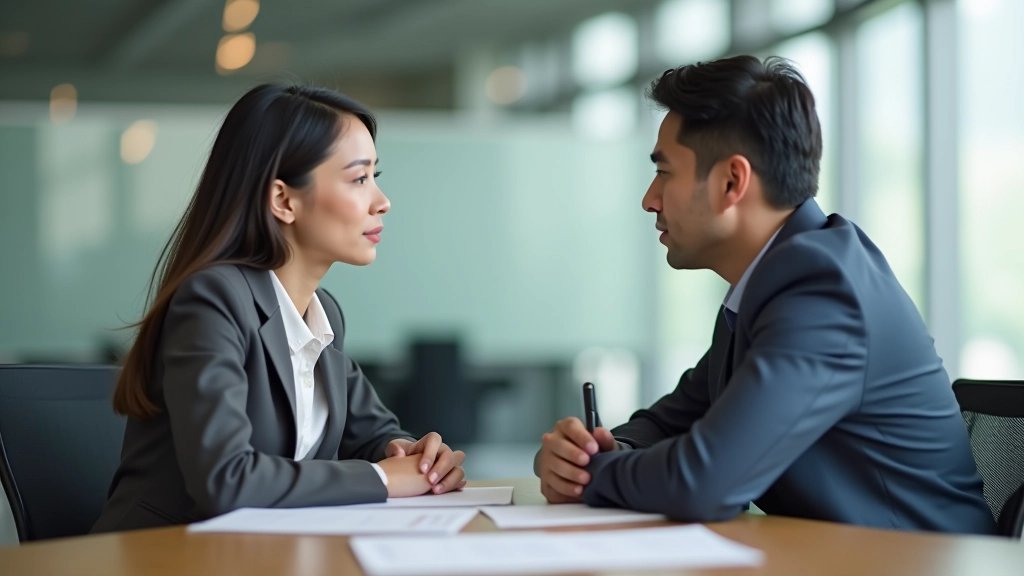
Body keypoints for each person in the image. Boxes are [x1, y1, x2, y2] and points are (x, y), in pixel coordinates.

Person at [535, 56, 995, 534]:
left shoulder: (824, 293)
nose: (650, 199)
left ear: (732, 182)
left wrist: (595, 475)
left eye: (665, 173)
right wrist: (592, 454)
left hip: (918, 562)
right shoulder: (769, 285)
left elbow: (704, 481)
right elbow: (671, 421)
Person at [93, 84, 465, 533]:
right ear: (284, 200)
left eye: (375, 175)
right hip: (161, 555)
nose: (381, 201)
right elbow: (225, 479)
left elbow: (372, 435)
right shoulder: (212, 300)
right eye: (359, 179)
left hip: (258, 553)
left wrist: (416, 457)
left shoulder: (322, 314)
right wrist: (383, 479)